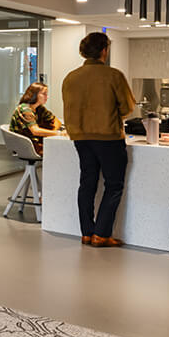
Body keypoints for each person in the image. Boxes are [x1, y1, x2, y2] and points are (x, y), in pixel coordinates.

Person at [61, 32, 136, 248]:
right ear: (104, 50)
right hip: (108, 137)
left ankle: (86, 232)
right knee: (114, 185)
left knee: (87, 184)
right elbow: (127, 108)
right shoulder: (113, 75)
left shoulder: (71, 77)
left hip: (80, 138)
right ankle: (101, 235)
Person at [9, 82, 61, 155]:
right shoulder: (24, 109)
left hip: (36, 142)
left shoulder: (39, 108)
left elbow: (56, 121)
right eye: (44, 94)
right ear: (34, 95)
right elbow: (35, 131)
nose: (47, 96)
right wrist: (59, 134)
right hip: (25, 145)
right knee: (60, 151)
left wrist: (52, 132)